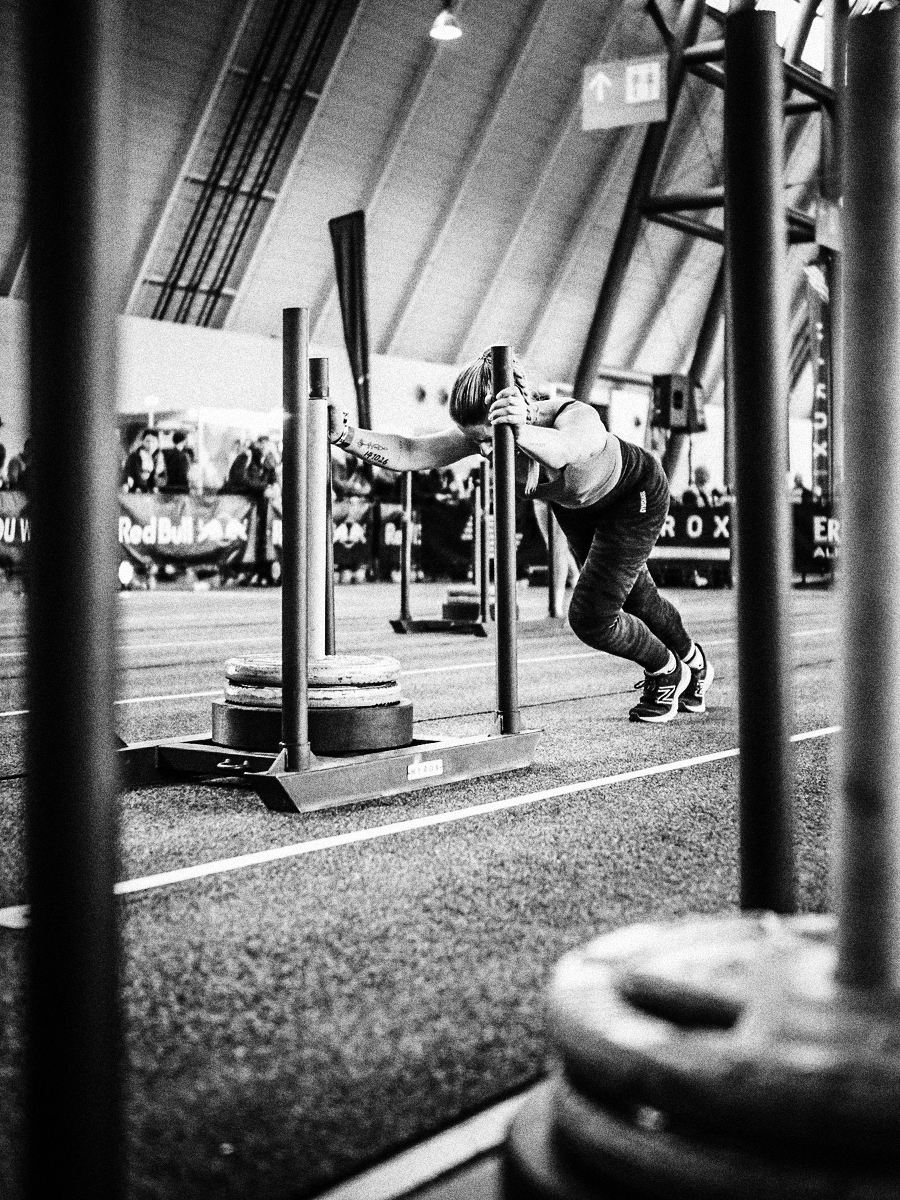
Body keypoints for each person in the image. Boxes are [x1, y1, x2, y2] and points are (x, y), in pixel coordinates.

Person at [328, 348, 714, 723]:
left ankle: (667, 671)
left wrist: (520, 430)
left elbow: (564, 451)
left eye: (488, 439)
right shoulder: (485, 432)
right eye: (475, 440)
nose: (483, 450)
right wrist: (345, 434)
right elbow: (410, 452)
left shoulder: (573, 415)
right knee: (639, 599)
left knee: (592, 617)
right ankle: (694, 662)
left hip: (634, 495)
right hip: (577, 509)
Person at [123, 428, 166, 493]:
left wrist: (156, 478)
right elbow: (127, 475)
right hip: (137, 493)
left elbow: (164, 480)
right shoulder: (134, 456)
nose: (150, 445)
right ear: (142, 441)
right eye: (147, 441)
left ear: (157, 443)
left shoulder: (159, 457)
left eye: (153, 441)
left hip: (153, 494)